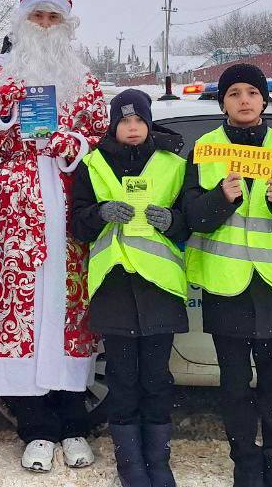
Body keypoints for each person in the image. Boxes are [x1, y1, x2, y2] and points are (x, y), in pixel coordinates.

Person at [0, 0, 109, 473]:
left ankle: (72, 421)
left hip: (69, 205)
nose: (44, 26)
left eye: (53, 19)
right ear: (21, 22)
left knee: (69, 305)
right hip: (18, 205)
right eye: (37, 17)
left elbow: (100, 139)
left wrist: (72, 144)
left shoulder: (83, 79)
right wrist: (2, 112)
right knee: (21, 304)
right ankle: (34, 426)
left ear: (65, 26)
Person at [181, 63, 272, 487]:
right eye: (234, 93)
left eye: (251, 93)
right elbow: (191, 217)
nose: (244, 100)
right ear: (223, 102)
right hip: (228, 284)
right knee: (235, 384)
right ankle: (245, 460)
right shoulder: (205, 148)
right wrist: (220, 199)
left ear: (264, 100)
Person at [69, 89, 188, 487]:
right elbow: (78, 224)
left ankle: (159, 460)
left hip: (159, 286)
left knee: (156, 378)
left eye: (138, 120)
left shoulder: (174, 163)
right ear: (113, 125)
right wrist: (98, 213)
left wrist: (172, 220)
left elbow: (192, 220)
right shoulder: (93, 163)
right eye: (124, 121)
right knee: (121, 378)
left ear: (149, 122)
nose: (132, 127)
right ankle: (130, 463)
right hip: (114, 285)